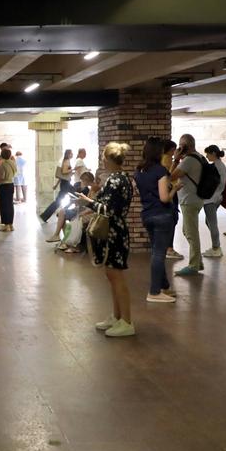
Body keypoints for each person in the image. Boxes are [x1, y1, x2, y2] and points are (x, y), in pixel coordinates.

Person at [84, 143, 136, 337]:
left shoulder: (115, 181)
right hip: (115, 231)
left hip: (114, 232)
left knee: (117, 276)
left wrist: (87, 202)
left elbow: (108, 210)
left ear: (108, 159)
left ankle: (127, 321)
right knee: (112, 275)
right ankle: (117, 316)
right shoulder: (120, 178)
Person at [135, 140, 177, 304]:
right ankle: (154, 291)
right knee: (159, 254)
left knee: (156, 251)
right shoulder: (160, 171)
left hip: (147, 215)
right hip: (162, 215)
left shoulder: (139, 171)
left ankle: (164, 285)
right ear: (157, 153)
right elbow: (164, 198)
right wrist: (175, 188)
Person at [169, 134, 207, 277]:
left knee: (191, 232)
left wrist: (176, 159)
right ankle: (198, 262)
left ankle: (193, 265)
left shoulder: (188, 160)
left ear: (185, 146)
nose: (178, 147)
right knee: (188, 231)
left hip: (189, 200)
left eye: (180, 145)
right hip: (195, 198)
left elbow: (171, 176)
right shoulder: (199, 156)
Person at [54, 171, 96, 254]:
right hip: (81, 209)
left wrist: (81, 207)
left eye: (83, 181)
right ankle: (64, 240)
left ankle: (70, 243)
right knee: (61, 213)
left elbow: (92, 205)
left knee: (72, 218)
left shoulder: (92, 189)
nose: (82, 183)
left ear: (87, 180)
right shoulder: (89, 188)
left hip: (86, 211)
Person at [201, 146, 226, 259]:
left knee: (212, 223)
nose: (207, 156)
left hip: (211, 199)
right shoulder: (220, 165)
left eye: (208, 154)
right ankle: (216, 246)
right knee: (209, 222)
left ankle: (216, 248)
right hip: (216, 197)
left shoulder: (216, 166)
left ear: (213, 153)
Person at [40, 150, 75, 223]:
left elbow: (62, 176)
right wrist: (72, 170)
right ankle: (47, 215)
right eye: (71, 153)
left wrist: (56, 185)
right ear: (69, 154)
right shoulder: (67, 161)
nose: (72, 154)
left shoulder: (66, 160)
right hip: (66, 184)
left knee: (72, 197)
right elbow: (64, 172)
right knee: (61, 200)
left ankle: (47, 215)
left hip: (65, 183)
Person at [0, 148, 17, 231]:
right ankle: (11, 224)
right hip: (11, 184)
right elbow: (15, 173)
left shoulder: (3, 164)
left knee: (4, 205)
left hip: (3, 185)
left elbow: (2, 176)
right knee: (10, 205)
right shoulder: (12, 163)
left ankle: (6, 225)